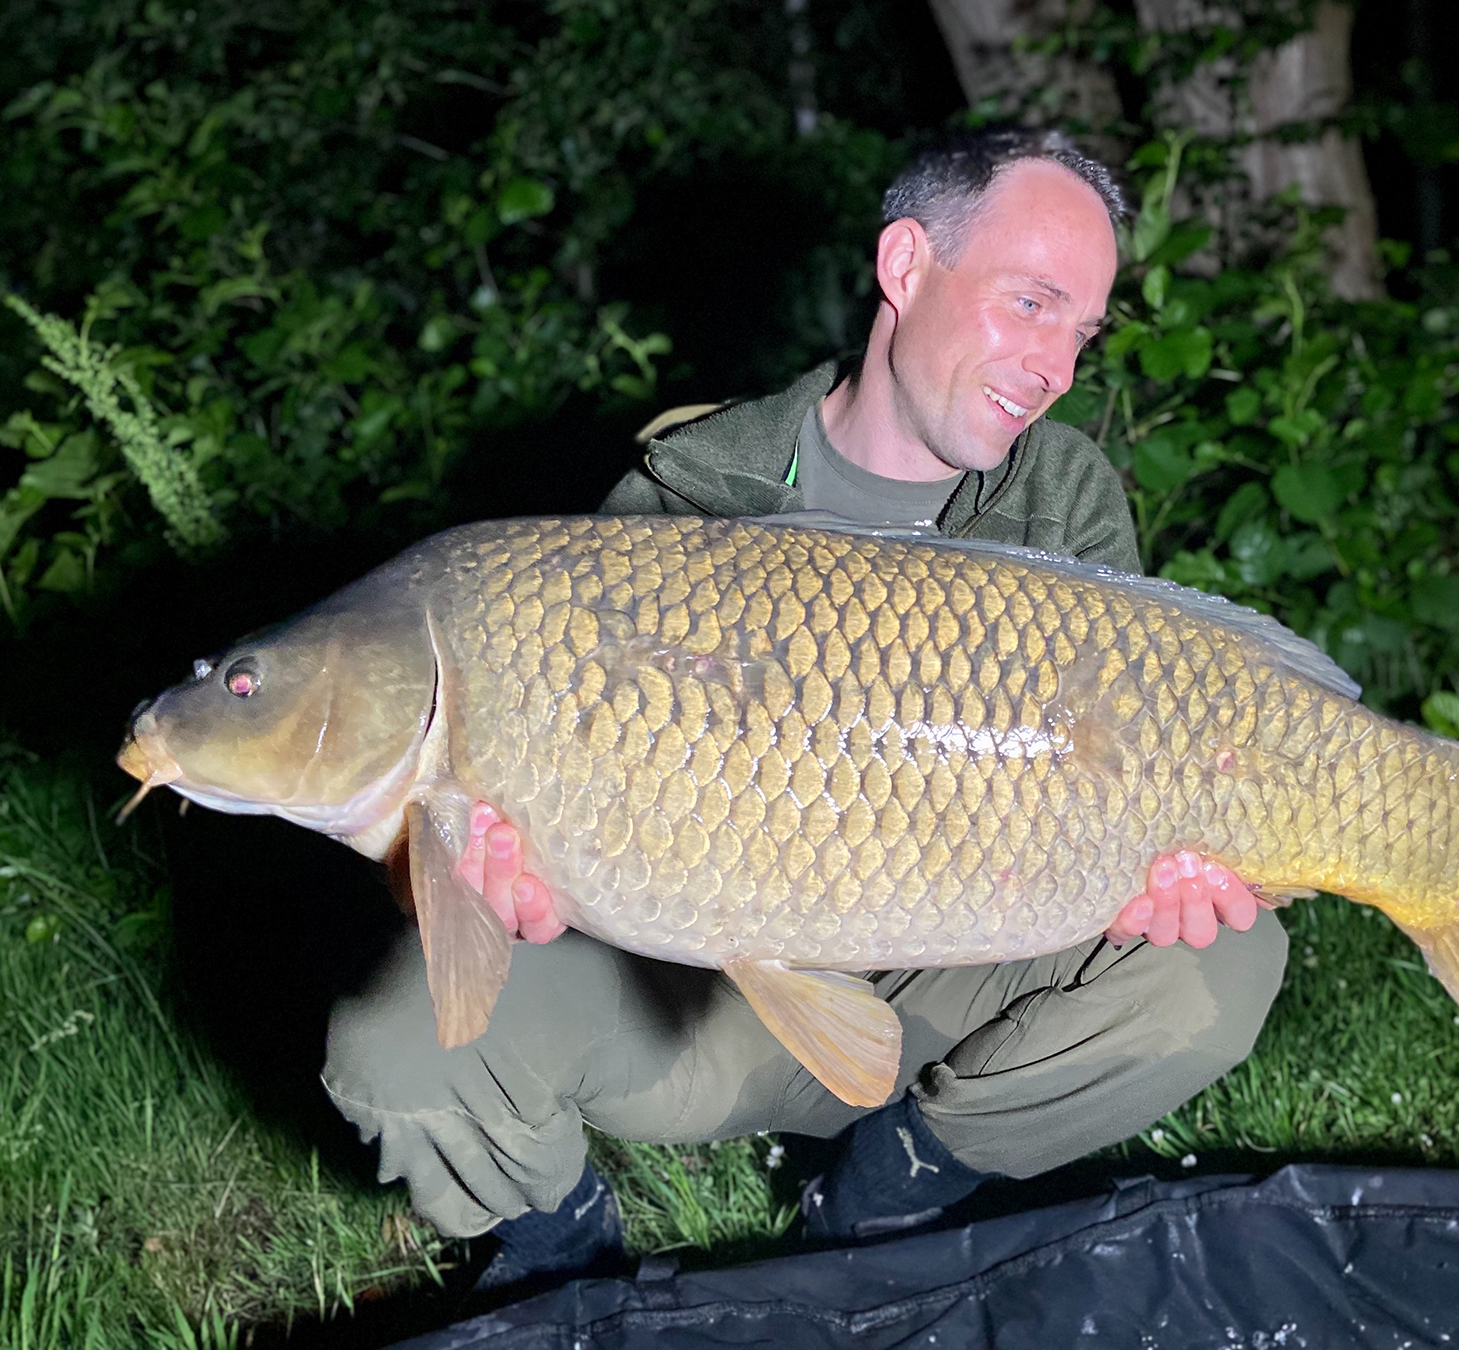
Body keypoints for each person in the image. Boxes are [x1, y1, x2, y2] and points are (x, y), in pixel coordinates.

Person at [321, 128, 1287, 1290]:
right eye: (1031, 304)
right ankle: (560, 1262)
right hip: (704, 1001)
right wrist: (464, 872)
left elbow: (1110, 769)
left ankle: (887, 1192)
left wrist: (1156, 864)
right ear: (906, 264)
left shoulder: (1062, 498)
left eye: (1082, 331)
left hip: (952, 987)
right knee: (398, 1052)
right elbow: (503, 848)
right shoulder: (684, 495)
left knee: (1221, 964)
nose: (1056, 368)